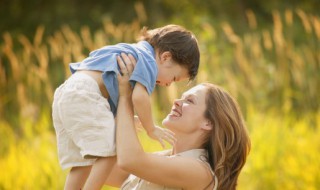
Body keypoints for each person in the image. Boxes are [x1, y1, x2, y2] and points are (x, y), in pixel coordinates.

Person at [52, 24, 200, 190]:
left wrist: (122, 118)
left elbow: (106, 83)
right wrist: (150, 128)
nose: (167, 84)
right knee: (110, 150)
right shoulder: (149, 62)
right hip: (85, 93)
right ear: (165, 57)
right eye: (173, 78)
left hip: (67, 93)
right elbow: (139, 97)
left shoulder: (134, 51)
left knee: (83, 161)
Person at [103, 53, 251, 189]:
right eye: (181, 97)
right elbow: (105, 169)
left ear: (208, 123)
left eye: (190, 101)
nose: (176, 101)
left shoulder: (200, 171)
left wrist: (125, 96)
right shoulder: (165, 158)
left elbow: (130, 160)